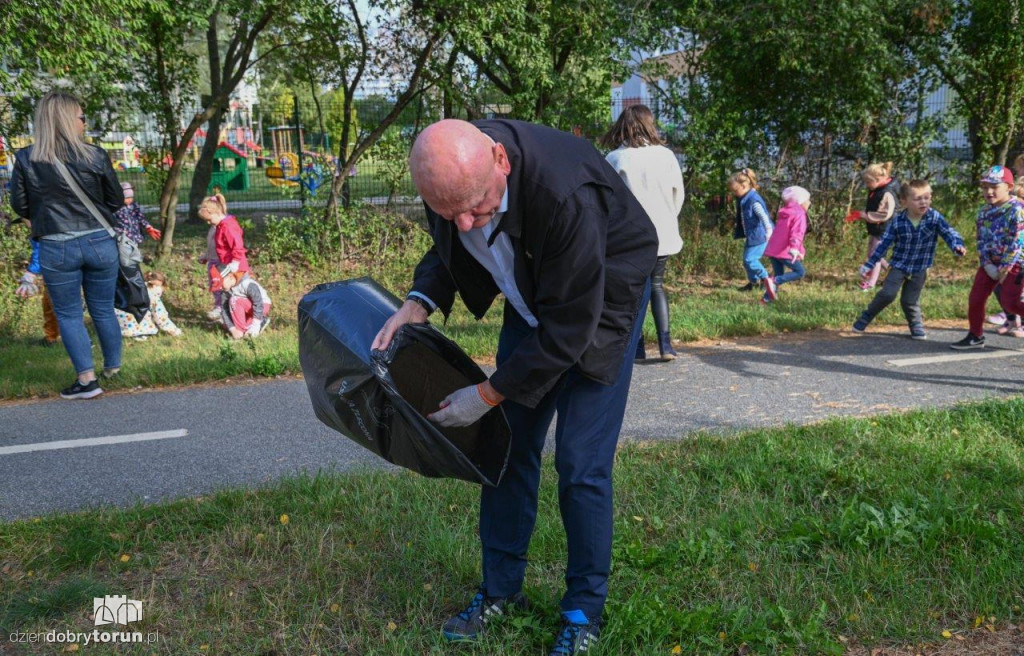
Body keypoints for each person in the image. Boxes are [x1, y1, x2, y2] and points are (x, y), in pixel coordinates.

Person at [369, 119, 657, 655]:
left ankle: (582, 613)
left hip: (601, 297)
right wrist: (419, 300)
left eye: (476, 210)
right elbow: (448, 247)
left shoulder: (566, 193)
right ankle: (501, 591)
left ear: (501, 159)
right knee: (508, 447)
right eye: (445, 210)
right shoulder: (457, 178)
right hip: (533, 287)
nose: (463, 223)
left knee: (580, 463)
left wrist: (486, 394)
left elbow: (570, 328)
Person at [9, 91, 124, 399]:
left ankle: (87, 380)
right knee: (103, 308)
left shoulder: (26, 158)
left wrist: (40, 213)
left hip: (56, 246)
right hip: (100, 242)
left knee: (70, 314)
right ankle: (113, 368)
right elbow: (115, 200)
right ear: (67, 120)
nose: (85, 124)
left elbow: (19, 205)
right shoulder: (95, 155)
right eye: (82, 118)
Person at [600, 104, 684, 360]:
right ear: (650, 124)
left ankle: (636, 348)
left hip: (629, 238)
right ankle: (666, 345)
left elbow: (608, 201)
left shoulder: (615, 158)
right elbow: (677, 195)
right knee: (657, 286)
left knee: (633, 292)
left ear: (623, 125)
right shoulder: (666, 156)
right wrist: (669, 218)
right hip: (664, 233)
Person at [852, 179, 965, 340]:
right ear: (904, 202)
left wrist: (957, 245)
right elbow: (883, 245)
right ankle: (865, 317)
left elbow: (949, 232)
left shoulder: (934, 217)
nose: (923, 202)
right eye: (918, 198)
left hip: (920, 267)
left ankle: (916, 325)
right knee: (887, 294)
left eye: (927, 197)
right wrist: (869, 264)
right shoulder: (898, 221)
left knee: (910, 300)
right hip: (899, 265)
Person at [951, 165, 1024, 349]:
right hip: (991, 264)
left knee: (1010, 302)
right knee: (976, 298)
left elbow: (1017, 240)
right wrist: (987, 264)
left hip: (1015, 264)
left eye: (994, 187)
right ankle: (975, 336)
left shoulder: (1017, 209)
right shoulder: (983, 212)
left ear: (1008, 186)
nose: (988, 191)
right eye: (984, 187)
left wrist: (1005, 268)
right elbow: (981, 240)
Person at [198, 192, 249, 320]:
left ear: (215, 212)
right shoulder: (220, 225)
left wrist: (235, 262)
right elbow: (217, 245)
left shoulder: (228, 226)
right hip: (226, 264)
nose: (209, 223)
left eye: (209, 219)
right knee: (223, 288)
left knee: (232, 290)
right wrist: (207, 255)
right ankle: (227, 313)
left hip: (234, 266)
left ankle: (235, 314)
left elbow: (237, 245)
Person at [853, 162, 900, 291]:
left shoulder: (887, 193)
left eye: (868, 182)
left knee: (875, 255)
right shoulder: (877, 190)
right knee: (872, 253)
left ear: (879, 180)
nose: (867, 185)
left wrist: (867, 216)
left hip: (885, 228)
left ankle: (871, 283)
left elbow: (885, 214)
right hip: (877, 228)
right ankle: (895, 272)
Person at [728, 168, 775, 297]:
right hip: (753, 235)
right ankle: (754, 283)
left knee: (750, 259)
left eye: (735, 190)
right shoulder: (745, 198)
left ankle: (767, 280)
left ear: (744, 186)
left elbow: (764, 216)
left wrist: (769, 231)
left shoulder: (753, 200)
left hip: (761, 235)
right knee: (747, 260)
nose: (734, 193)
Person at [762, 185, 810, 303]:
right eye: (807, 200)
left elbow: (785, 233)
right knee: (800, 272)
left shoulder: (785, 213)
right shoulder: (799, 214)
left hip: (774, 250)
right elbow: (796, 233)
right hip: (785, 251)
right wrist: (794, 248)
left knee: (778, 274)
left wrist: (801, 250)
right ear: (800, 201)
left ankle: (765, 300)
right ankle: (773, 282)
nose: (809, 202)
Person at [15, 236, 61, 346]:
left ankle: (82, 341)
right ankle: (51, 338)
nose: (24, 223)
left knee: (61, 307)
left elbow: (41, 251)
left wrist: (31, 272)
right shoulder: (36, 230)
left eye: (24, 220)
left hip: (58, 267)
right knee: (48, 303)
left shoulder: (41, 229)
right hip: (50, 269)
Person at [115, 271, 183, 339]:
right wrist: (175, 331)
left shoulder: (134, 288)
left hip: (119, 327)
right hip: (136, 328)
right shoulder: (153, 296)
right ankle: (140, 332)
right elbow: (161, 317)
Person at [219, 271, 271, 339]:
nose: (219, 287)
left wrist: (255, 325)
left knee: (234, 300)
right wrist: (232, 329)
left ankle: (245, 329)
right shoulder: (225, 290)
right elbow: (224, 309)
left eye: (220, 283)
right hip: (247, 310)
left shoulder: (247, 284)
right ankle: (259, 322)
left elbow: (258, 303)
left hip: (262, 306)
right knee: (226, 324)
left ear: (230, 277)